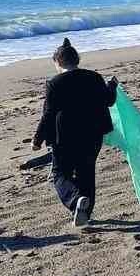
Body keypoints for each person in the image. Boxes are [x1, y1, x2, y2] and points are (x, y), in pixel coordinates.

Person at [31, 38, 117, 227]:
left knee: (60, 174)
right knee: (86, 172)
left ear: (58, 62)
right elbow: (109, 101)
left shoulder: (55, 83)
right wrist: (112, 86)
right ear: (76, 60)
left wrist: (37, 139)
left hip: (65, 137)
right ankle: (85, 212)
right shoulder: (94, 77)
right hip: (93, 134)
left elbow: (49, 113)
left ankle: (76, 201)